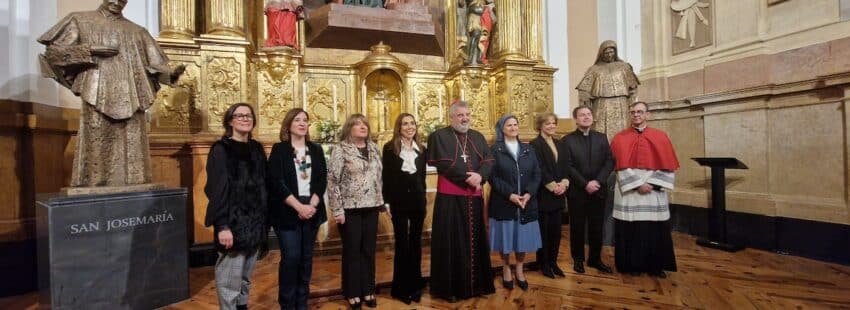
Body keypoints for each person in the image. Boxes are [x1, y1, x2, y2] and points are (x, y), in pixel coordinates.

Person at [37, 0, 185, 187]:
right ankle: (95, 185)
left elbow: (154, 65)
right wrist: (90, 50)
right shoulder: (80, 20)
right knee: (97, 145)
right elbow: (54, 54)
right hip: (96, 92)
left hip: (132, 94)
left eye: (122, 0)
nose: (117, 2)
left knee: (134, 148)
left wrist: (170, 73)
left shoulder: (137, 31)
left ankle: (134, 186)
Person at [426, 100, 495, 301]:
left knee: (475, 240)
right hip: (450, 200)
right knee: (451, 242)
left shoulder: (477, 136)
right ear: (451, 117)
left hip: (473, 197)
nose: (464, 118)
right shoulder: (439, 136)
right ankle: (451, 289)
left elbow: (489, 160)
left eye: (467, 114)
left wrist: (481, 176)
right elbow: (442, 164)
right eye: (460, 115)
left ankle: (478, 285)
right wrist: (468, 178)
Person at [204, 103, 268, 310]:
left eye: (249, 115)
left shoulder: (257, 148)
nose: (245, 119)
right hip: (233, 224)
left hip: (256, 223)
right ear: (230, 121)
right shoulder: (222, 149)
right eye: (239, 115)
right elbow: (216, 189)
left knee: (245, 277)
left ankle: (242, 306)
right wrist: (222, 225)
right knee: (229, 280)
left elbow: (264, 185)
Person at [610, 102, 680, 278]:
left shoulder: (661, 136)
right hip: (630, 190)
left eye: (640, 112)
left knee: (655, 229)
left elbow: (668, 164)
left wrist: (653, 184)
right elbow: (619, 166)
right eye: (632, 112)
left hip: (653, 190)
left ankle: (656, 266)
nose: (636, 115)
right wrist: (637, 184)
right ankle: (631, 265)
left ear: (648, 114)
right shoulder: (619, 138)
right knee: (630, 229)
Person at [267, 108, 327, 310]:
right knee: (291, 257)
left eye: (305, 120)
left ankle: (302, 303)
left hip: (312, 208)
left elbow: (321, 180)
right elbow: (276, 181)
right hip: (288, 209)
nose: (302, 123)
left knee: (306, 259)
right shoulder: (280, 149)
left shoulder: (316, 149)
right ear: (289, 125)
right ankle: (287, 304)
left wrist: (312, 205)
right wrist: (299, 206)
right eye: (297, 120)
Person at [328, 114, 385, 309]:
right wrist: (337, 209)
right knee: (353, 252)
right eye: (358, 124)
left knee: (368, 251)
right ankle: (352, 292)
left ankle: (368, 289)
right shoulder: (340, 149)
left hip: (371, 207)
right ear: (349, 128)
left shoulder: (374, 148)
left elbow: (379, 177)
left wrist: (381, 201)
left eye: (365, 124)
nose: (363, 127)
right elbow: (333, 180)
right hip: (350, 209)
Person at [488, 114, 542, 291]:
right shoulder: (494, 150)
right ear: (502, 129)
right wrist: (510, 194)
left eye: (515, 124)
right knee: (506, 239)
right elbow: (492, 177)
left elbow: (537, 174)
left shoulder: (529, 149)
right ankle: (506, 268)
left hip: (526, 203)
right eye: (509, 125)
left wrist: (529, 193)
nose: (513, 127)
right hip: (505, 202)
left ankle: (519, 269)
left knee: (523, 239)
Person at [561, 105, 614, 274]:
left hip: (598, 190)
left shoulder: (601, 137)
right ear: (575, 119)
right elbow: (568, 167)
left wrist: (597, 181)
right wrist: (585, 184)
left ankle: (595, 259)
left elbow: (609, 162)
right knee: (577, 227)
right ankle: (578, 260)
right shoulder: (567, 140)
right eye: (582, 115)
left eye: (589, 114)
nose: (586, 117)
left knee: (597, 227)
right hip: (578, 191)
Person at [382, 113, 427, 305]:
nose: (410, 127)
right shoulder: (390, 148)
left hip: (417, 202)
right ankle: (400, 288)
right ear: (398, 127)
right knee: (402, 244)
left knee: (416, 244)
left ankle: (415, 285)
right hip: (399, 202)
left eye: (412, 123)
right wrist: (387, 202)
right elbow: (387, 177)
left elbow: (422, 178)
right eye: (405, 124)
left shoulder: (422, 149)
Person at [529, 112, 569, 278]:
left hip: (559, 194)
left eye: (553, 123)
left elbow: (566, 166)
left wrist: (564, 184)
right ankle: (543, 263)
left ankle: (553, 262)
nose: (551, 126)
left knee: (556, 232)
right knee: (544, 232)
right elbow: (539, 168)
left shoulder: (560, 144)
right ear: (540, 126)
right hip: (544, 195)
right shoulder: (534, 144)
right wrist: (554, 186)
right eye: (548, 124)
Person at [576, 40, 639, 141]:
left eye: (611, 52)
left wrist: (632, 105)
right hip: (601, 104)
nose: (609, 55)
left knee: (623, 133)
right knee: (601, 133)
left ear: (615, 52)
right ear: (601, 53)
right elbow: (584, 89)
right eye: (606, 53)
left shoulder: (624, 67)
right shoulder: (594, 69)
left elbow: (633, 88)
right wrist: (586, 106)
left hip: (621, 104)